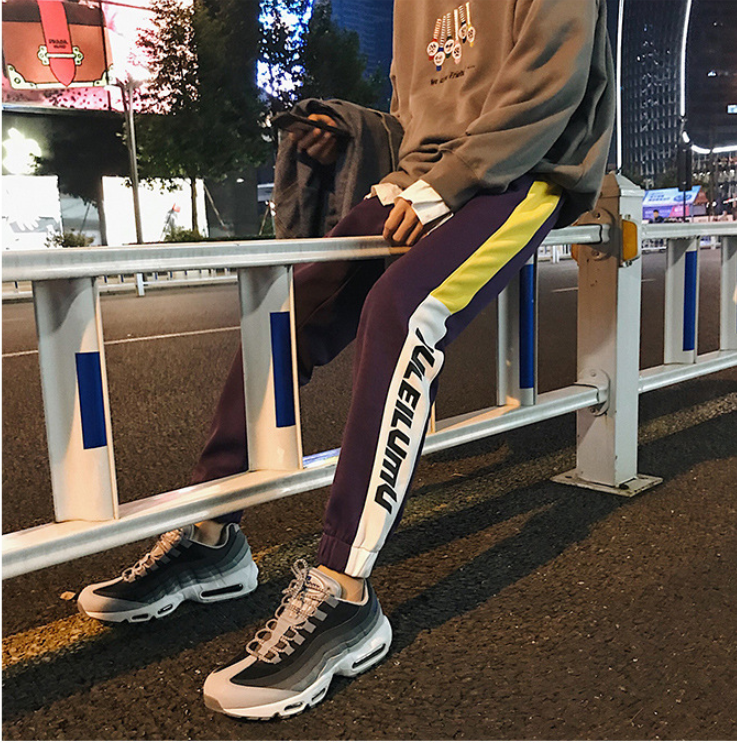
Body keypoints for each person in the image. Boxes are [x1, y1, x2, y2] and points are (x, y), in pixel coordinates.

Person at [78, 0, 615, 719]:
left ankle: (345, 590)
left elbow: (550, 86)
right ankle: (212, 532)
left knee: (403, 310)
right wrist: (374, 144)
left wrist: (451, 180)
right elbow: (423, 106)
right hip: (430, 174)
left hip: (529, 166)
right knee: (289, 308)